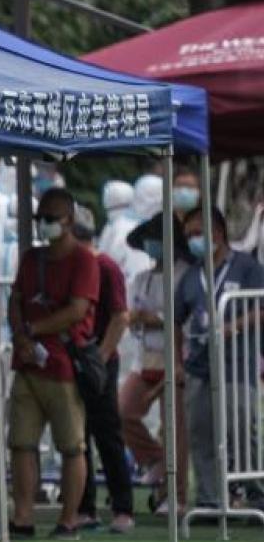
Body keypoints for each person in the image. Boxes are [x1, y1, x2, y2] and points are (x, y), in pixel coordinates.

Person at [8, 188, 100, 540]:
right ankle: (24, 517)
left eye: (51, 218)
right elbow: (15, 299)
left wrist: (32, 330)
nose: (44, 225)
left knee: (71, 446)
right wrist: (21, 336)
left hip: (63, 366)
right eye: (40, 219)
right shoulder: (32, 259)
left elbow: (77, 310)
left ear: (69, 220)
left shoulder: (84, 260)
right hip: (27, 364)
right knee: (21, 442)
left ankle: (69, 519)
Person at [175, 206, 264, 510]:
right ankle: (210, 497)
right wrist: (177, 362)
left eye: (198, 233)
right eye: (189, 235)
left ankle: (253, 490)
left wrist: (232, 326)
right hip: (199, 365)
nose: (193, 240)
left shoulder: (247, 267)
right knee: (201, 432)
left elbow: (261, 308)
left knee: (242, 426)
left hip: (237, 363)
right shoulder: (191, 274)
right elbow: (175, 319)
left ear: (218, 233)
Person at [70, 206, 135, 533]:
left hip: (100, 359)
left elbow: (121, 316)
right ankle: (85, 506)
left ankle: (123, 506)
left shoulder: (105, 266)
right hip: (76, 358)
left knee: (107, 432)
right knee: (77, 435)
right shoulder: (73, 267)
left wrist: (101, 357)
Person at [120, 217, 190, 514]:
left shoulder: (185, 274)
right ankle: (154, 459)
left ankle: (175, 495)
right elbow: (132, 314)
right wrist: (137, 318)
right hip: (145, 357)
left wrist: (154, 318)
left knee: (174, 427)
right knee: (123, 411)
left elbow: (182, 314)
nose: (153, 245)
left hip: (176, 355)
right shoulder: (141, 278)